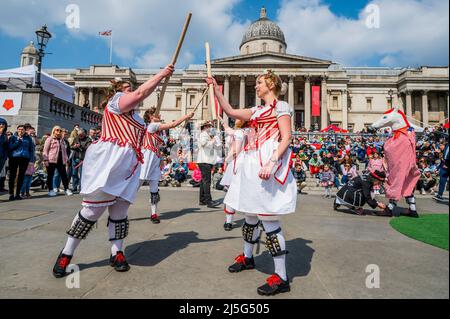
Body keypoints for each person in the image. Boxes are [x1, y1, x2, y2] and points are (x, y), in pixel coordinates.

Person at [52, 65, 174, 278]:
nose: (130, 90)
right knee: (91, 212)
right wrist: (161, 74)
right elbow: (139, 93)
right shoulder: (115, 103)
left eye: (130, 88)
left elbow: (145, 110)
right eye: (127, 88)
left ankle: (116, 252)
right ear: (118, 91)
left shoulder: (138, 119)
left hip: (129, 165)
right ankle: (66, 253)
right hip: (111, 162)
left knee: (120, 212)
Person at [207, 69, 297, 296]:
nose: (255, 86)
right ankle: (247, 257)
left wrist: (272, 162)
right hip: (250, 162)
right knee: (248, 216)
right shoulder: (256, 110)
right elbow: (229, 111)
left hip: (266, 161)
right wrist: (217, 90)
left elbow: (287, 137)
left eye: (259, 83)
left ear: (271, 83)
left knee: (268, 220)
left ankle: (281, 277)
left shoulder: (282, 107)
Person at [139, 106, 194, 224]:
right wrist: (186, 116)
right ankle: (119, 211)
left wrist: (161, 159)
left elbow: (160, 145)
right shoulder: (152, 125)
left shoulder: (156, 130)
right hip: (147, 159)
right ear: (150, 117)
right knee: (135, 187)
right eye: (156, 114)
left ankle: (154, 214)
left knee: (154, 189)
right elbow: (172, 125)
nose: (159, 115)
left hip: (154, 159)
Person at [220, 118, 249, 231]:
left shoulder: (238, 133)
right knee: (248, 193)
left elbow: (235, 151)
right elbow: (228, 130)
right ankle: (252, 220)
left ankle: (228, 222)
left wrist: (226, 160)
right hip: (250, 163)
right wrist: (222, 122)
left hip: (238, 163)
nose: (236, 118)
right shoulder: (251, 132)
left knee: (231, 194)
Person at [197, 120, 221, 208]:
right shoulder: (204, 134)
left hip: (205, 160)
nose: (210, 128)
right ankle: (208, 201)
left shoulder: (205, 134)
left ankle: (202, 199)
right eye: (209, 126)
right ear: (205, 127)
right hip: (205, 160)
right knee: (207, 181)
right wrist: (213, 141)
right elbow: (204, 144)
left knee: (203, 181)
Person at [8, 125, 35, 201]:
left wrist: (31, 160)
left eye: (22, 129)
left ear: (25, 130)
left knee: (21, 176)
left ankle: (17, 194)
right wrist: (18, 141)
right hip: (14, 157)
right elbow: (10, 147)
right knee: (12, 176)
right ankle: (11, 194)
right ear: (17, 130)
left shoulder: (28, 138)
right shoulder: (13, 137)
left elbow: (31, 149)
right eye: (19, 129)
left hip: (25, 158)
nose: (21, 131)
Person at [43, 126, 73, 197]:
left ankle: (66, 189)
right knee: (50, 175)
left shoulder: (62, 140)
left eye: (60, 130)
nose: (58, 132)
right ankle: (51, 190)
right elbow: (45, 150)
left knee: (64, 175)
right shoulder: (49, 139)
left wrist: (66, 159)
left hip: (61, 160)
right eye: (57, 130)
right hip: (51, 160)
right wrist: (45, 160)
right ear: (54, 131)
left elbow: (64, 151)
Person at [70, 128, 92, 192]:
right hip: (75, 158)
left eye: (81, 135)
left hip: (83, 159)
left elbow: (88, 148)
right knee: (74, 173)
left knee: (82, 174)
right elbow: (71, 146)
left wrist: (80, 146)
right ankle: (74, 186)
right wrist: (74, 146)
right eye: (79, 134)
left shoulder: (88, 140)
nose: (80, 136)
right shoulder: (76, 138)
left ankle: (81, 187)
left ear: (85, 134)